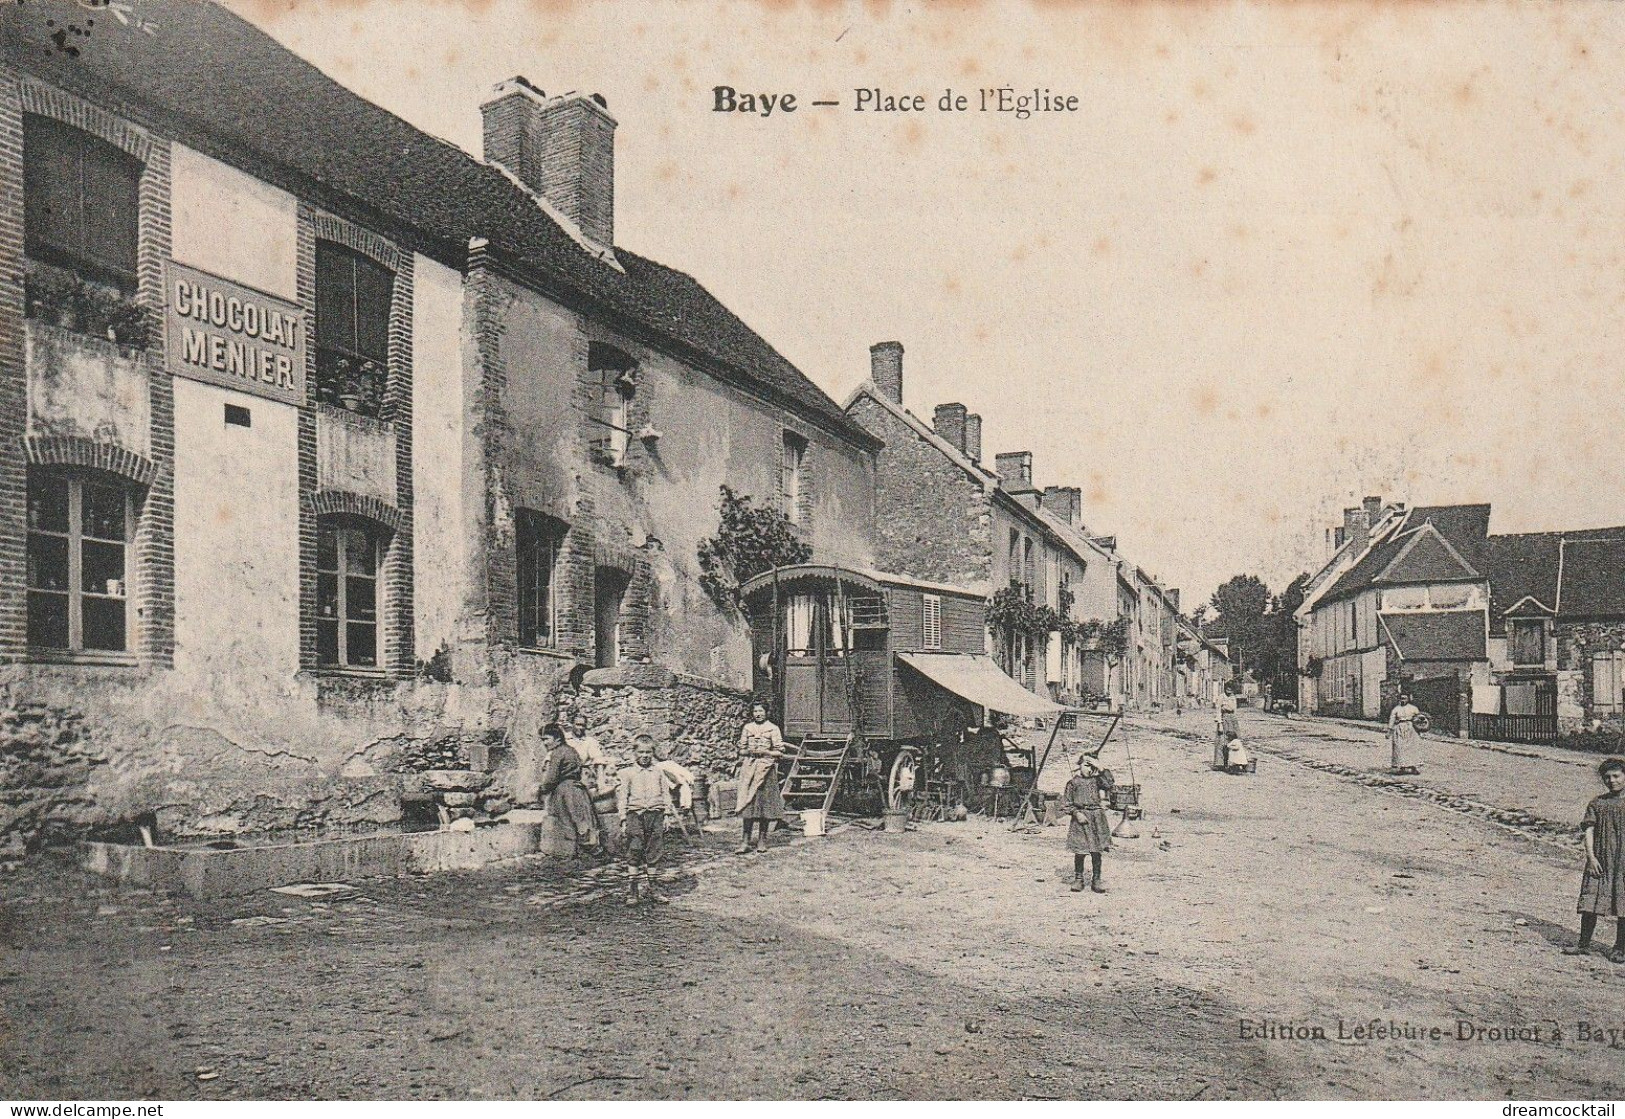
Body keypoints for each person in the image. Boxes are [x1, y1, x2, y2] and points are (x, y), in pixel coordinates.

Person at [1564, 758, 1625, 961]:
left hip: (1622, 861)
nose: (1612, 781)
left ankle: (1620, 948)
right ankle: (1583, 944)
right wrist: (1591, 857)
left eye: (1616, 776)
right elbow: (1588, 831)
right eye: (1607, 777)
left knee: (1623, 902)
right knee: (1590, 900)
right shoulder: (1597, 803)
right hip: (1601, 860)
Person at [616, 735, 673, 906]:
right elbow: (623, 797)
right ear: (634, 753)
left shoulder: (658, 772)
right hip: (635, 815)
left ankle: (653, 888)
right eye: (641, 752)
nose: (645, 755)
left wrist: (667, 815)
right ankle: (633, 890)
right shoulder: (628, 773)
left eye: (648, 752)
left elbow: (665, 794)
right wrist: (623, 819)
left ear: (653, 753)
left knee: (654, 850)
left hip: (655, 814)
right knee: (635, 849)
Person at [535, 722, 600, 858]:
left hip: (565, 791)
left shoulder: (557, 753)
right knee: (582, 819)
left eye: (546, 739)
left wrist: (540, 790)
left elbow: (551, 778)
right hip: (577, 789)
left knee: (569, 821)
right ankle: (587, 851)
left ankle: (577, 852)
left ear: (557, 738)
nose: (544, 743)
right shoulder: (571, 750)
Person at [736, 701, 789, 854]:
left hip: (766, 770)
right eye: (755, 711)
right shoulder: (748, 728)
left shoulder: (773, 728)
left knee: (764, 805)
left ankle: (762, 840)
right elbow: (742, 750)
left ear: (766, 712)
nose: (758, 714)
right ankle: (745, 841)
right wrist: (750, 751)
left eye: (760, 711)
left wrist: (766, 753)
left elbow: (780, 751)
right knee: (748, 804)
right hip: (750, 768)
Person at [1064, 748, 1115, 893]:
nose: (1089, 769)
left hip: (1097, 818)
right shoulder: (1073, 783)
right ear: (1079, 765)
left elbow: (1110, 784)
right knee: (1080, 851)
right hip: (1080, 818)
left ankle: (1096, 879)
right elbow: (1066, 803)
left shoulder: (1098, 781)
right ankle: (1078, 879)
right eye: (1086, 765)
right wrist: (1076, 813)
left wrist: (1100, 767)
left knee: (1096, 851)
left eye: (1092, 766)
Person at [565, 711, 614, 795]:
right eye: (578, 724)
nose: (580, 728)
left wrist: (601, 783)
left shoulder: (590, 741)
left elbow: (598, 761)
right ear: (572, 724)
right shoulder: (565, 740)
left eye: (583, 725)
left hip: (583, 775)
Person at [1388, 693, 1423, 775]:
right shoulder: (1396, 709)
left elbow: (1420, 718)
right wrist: (1389, 731)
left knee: (1413, 747)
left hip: (1411, 728)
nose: (1403, 700)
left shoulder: (1413, 708)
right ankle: (1402, 767)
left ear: (1408, 699)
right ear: (1399, 699)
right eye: (1401, 698)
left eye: (1405, 698)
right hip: (1399, 728)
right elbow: (1392, 719)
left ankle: (1413, 767)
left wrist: (1420, 729)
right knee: (1399, 747)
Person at [1213, 688, 1240, 771]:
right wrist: (1220, 723)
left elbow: (1235, 710)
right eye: (1228, 688)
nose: (1229, 691)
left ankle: (1233, 762)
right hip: (1224, 719)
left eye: (1231, 689)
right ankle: (1220, 763)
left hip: (1233, 720)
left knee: (1234, 741)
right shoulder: (1221, 697)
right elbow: (1218, 711)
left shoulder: (1233, 697)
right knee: (1222, 741)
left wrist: (1235, 723)